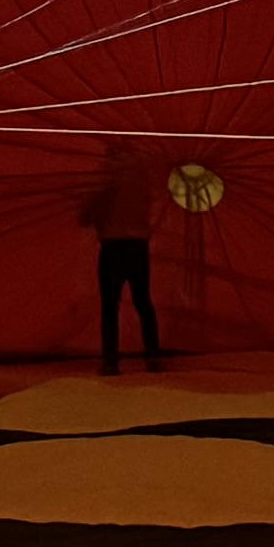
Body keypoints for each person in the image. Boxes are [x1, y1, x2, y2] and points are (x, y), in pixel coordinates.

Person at [86, 138, 166, 373]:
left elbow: (85, 216)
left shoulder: (105, 184)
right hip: (137, 246)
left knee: (110, 305)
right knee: (143, 301)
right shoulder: (142, 184)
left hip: (113, 247)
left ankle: (111, 360)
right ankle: (152, 355)